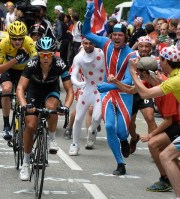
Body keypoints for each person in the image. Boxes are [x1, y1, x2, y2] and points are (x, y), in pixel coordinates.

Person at [83, 3, 136, 175]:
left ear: (126, 38)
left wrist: (110, 85)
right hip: (107, 94)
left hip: (124, 94)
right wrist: (86, 17)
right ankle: (120, 163)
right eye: (114, 35)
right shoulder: (106, 43)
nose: (117, 38)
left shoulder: (131, 55)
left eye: (120, 35)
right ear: (111, 35)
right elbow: (86, 34)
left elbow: (128, 80)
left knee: (121, 131)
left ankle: (124, 140)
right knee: (110, 127)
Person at [16, 36, 74, 181]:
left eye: (50, 54)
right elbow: (20, 88)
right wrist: (24, 105)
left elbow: (70, 90)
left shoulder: (60, 64)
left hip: (50, 92)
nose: (46, 57)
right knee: (30, 125)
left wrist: (66, 107)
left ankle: (52, 139)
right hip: (34, 92)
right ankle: (26, 163)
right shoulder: (32, 64)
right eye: (43, 54)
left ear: (54, 54)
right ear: (38, 54)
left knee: (52, 107)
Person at [128, 54, 180, 194]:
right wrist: (113, 83)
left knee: (164, 154)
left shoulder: (172, 81)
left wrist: (132, 73)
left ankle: (167, 180)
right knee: (167, 156)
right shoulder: (168, 79)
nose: (159, 65)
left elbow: (145, 94)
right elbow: (132, 90)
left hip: (177, 124)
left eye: (161, 60)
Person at [0, 21, 37, 141]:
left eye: (20, 39)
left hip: (24, 72)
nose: (17, 41)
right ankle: (6, 124)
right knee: (6, 89)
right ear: (10, 37)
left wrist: (30, 60)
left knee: (28, 94)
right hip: (8, 70)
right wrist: (14, 60)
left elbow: (36, 60)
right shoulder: (4, 43)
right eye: (14, 39)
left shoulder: (29, 42)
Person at [68, 38, 105, 154]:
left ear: (94, 43)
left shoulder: (102, 53)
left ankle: (92, 131)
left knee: (97, 117)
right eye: (85, 43)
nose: (88, 46)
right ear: (82, 44)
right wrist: (78, 84)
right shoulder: (78, 57)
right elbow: (73, 75)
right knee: (78, 118)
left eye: (90, 43)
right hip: (87, 87)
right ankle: (74, 144)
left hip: (101, 88)